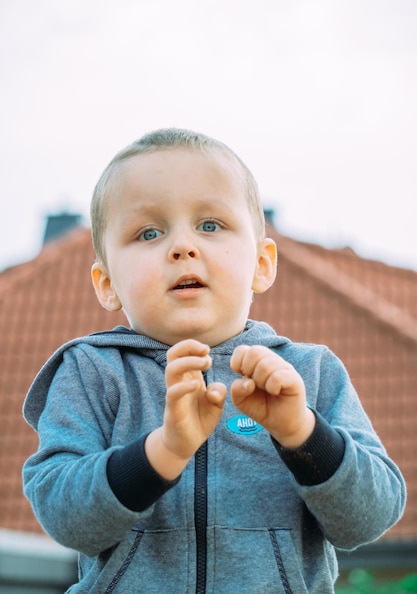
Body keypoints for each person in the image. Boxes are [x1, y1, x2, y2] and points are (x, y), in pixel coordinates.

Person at [23, 128, 406, 594]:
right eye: (149, 232)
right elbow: (66, 519)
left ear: (262, 264)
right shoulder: (89, 373)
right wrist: (164, 451)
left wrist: (301, 433)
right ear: (106, 284)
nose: (183, 247)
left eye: (209, 225)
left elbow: (370, 517)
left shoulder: (312, 374)